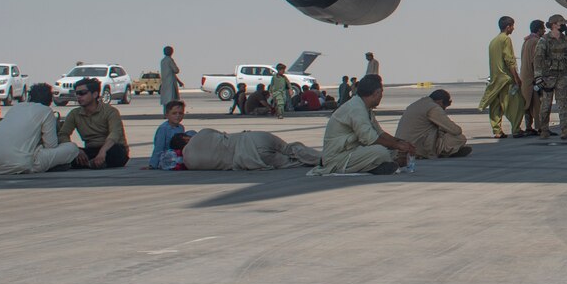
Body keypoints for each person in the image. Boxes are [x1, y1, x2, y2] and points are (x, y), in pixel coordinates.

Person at [315, 74, 414, 175]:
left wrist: (401, 143)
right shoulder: (356, 109)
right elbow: (370, 139)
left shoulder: (365, 107)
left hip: (354, 151)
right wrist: (397, 145)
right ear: (377, 93)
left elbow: (380, 133)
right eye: (381, 93)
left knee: (392, 150)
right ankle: (376, 166)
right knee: (381, 151)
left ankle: (379, 165)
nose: (381, 96)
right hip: (338, 158)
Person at [0, 84, 82, 174]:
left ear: (30, 97)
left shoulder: (16, 108)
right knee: (72, 148)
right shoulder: (46, 111)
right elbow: (51, 145)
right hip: (20, 164)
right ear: (49, 101)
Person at [57, 79, 128, 168]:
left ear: (95, 94)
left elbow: (115, 134)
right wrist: (75, 149)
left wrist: (103, 152)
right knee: (65, 154)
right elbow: (63, 134)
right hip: (91, 150)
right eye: (77, 93)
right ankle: (93, 163)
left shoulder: (110, 111)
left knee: (116, 152)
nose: (79, 96)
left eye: (82, 93)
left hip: (110, 148)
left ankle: (93, 163)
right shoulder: (74, 114)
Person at [172, 128, 321, 170]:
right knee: (291, 148)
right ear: (185, 138)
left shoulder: (191, 164)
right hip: (252, 138)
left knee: (294, 163)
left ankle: (326, 162)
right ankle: (325, 156)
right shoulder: (201, 134)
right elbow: (220, 135)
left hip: (250, 159)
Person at [532, 15, 567, 138]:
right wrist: (538, 76)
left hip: (562, 75)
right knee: (546, 104)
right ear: (553, 24)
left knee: (563, 102)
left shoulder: (566, 40)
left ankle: (565, 129)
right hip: (548, 76)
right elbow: (538, 59)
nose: (563, 26)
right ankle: (544, 129)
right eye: (561, 23)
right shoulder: (544, 40)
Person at [480, 16, 526, 139]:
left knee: (496, 106)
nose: (513, 29)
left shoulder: (493, 41)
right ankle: (516, 129)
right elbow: (509, 60)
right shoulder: (505, 39)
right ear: (508, 27)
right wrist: (516, 77)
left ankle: (497, 131)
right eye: (512, 26)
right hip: (506, 79)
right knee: (517, 103)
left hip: (495, 80)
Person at [395, 89, 470, 158]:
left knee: (441, 133)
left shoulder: (419, 103)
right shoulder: (433, 108)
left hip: (401, 145)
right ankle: (447, 152)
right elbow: (455, 130)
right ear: (440, 102)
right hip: (415, 147)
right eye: (444, 107)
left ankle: (450, 150)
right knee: (460, 138)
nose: (443, 110)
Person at [517, 18, 545, 134]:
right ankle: (540, 127)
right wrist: (539, 77)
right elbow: (536, 61)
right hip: (533, 78)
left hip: (525, 77)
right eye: (543, 28)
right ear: (539, 29)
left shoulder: (526, 41)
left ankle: (529, 127)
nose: (544, 30)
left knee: (527, 104)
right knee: (537, 104)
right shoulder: (536, 41)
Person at [150, 100, 189, 170]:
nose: (177, 116)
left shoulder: (180, 127)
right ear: (167, 115)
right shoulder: (163, 129)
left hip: (177, 154)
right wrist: (153, 164)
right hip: (166, 156)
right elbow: (158, 147)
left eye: (180, 113)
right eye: (174, 113)